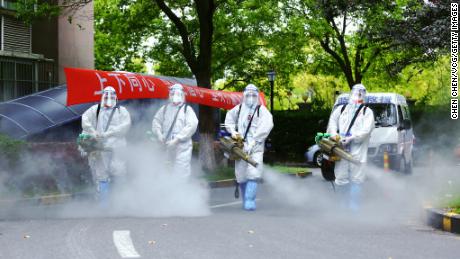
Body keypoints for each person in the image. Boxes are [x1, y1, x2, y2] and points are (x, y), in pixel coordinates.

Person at [224, 84, 274, 211]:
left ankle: (250, 200)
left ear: (257, 96)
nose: (250, 97)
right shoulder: (239, 108)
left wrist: (254, 142)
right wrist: (233, 132)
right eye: (248, 95)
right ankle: (245, 198)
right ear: (244, 95)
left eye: (253, 95)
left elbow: (266, 126)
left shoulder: (261, 110)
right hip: (241, 148)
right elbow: (229, 119)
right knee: (240, 175)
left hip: (255, 148)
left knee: (253, 173)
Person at [326, 83, 375, 210]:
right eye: (355, 93)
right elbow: (332, 123)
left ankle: (354, 209)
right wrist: (335, 135)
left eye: (360, 93)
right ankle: (342, 208)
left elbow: (366, 131)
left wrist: (351, 138)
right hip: (341, 150)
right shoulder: (341, 110)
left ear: (364, 96)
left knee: (356, 179)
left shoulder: (367, 112)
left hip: (357, 152)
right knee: (341, 177)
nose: (357, 96)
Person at [81, 86, 131, 200]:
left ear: (116, 97)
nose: (109, 98)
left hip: (118, 146)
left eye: (111, 95)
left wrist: (108, 134)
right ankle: (104, 202)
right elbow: (85, 120)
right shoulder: (96, 109)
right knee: (101, 173)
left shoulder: (121, 111)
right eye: (106, 95)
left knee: (119, 170)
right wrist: (92, 132)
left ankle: (121, 200)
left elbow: (125, 126)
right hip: (100, 146)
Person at [151, 83, 198, 177]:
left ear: (181, 95)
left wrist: (177, 139)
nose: (174, 96)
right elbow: (156, 121)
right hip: (166, 144)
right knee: (164, 170)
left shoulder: (186, 109)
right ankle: (166, 190)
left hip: (182, 147)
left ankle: (180, 190)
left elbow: (192, 125)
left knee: (181, 171)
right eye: (172, 94)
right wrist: (159, 134)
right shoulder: (164, 109)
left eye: (177, 94)